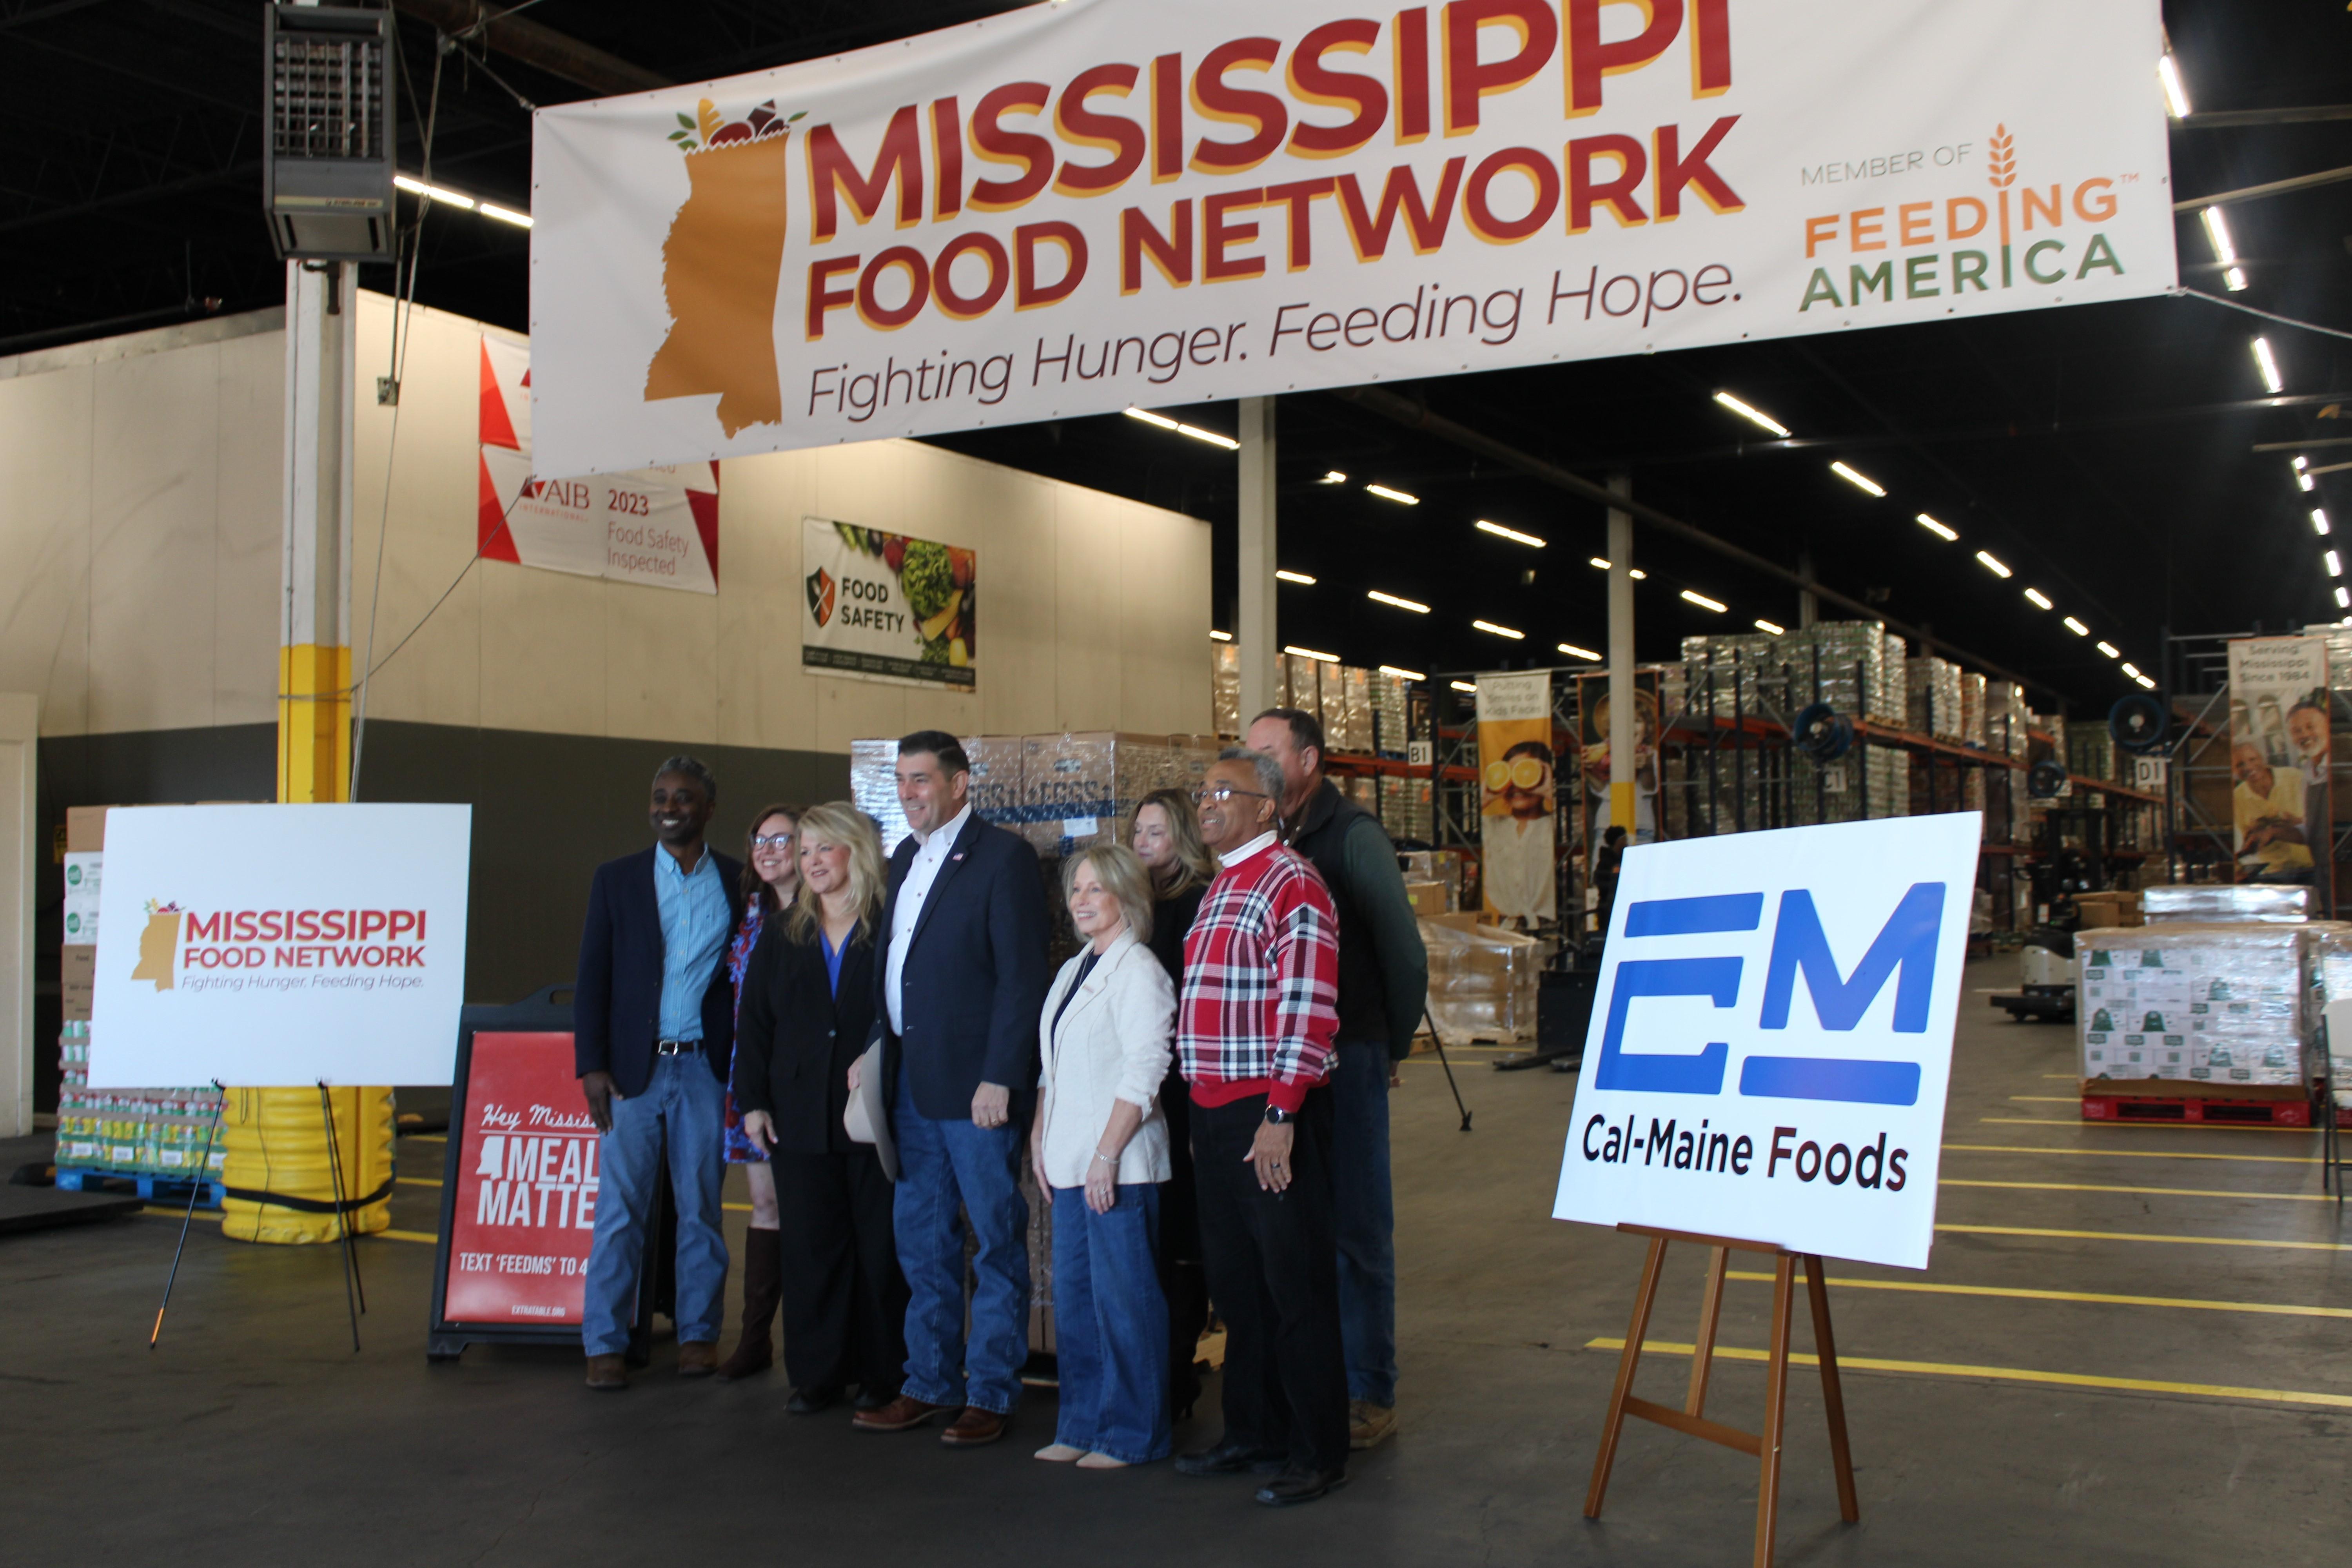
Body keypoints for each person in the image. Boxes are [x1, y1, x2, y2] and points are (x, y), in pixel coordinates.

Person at [852, 731, 1052, 1446]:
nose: (909, 793)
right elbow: (899, 972)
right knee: (923, 1243)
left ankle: (992, 1392)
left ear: (961, 784)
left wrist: (1001, 1074)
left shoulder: (1004, 859)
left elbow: (1021, 978)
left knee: (994, 1241)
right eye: (902, 781)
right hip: (910, 1086)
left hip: (976, 1092)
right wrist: (878, 1051)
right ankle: (929, 1382)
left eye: (922, 780)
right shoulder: (904, 858)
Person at [1245, 708, 1428, 1452]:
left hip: (1346, 1052)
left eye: (1266, 751)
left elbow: (1403, 951)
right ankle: (1313, 1381)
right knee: (1296, 1227)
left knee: (1356, 1229)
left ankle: (1369, 1391)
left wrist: (1391, 1042)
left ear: (1309, 759)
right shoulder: (1263, 835)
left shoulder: (1350, 836)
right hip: (1278, 1062)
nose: (1251, 763)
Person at [1172, 749, 1347, 1507]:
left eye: (1223, 793)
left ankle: (1316, 1451)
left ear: (1267, 806)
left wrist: (1281, 1113)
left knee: (1294, 1287)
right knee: (1239, 1292)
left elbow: (1308, 1008)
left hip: (1264, 1116)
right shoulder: (1221, 886)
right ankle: (1253, 1433)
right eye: (1202, 793)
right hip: (1211, 1114)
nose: (1206, 804)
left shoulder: (1292, 884)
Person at [573, 756, 745, 1390]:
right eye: (660, 796)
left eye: (684, 797)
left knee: (701, 1207)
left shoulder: (737, 880)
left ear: (708, 809)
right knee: (619, 1211)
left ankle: (700, 1336)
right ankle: (605, 1343)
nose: (669, 806)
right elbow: (594, 976)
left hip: (706, 1070)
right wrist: (591, 1064)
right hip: (631, 1074)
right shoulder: (616, 880)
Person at [733, 803, 909, 1414]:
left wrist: (885, 1047)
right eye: (804, 852)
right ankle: (817, 1373)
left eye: (822, 850)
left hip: (872, 1113)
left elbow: (909, 1011)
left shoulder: (889, 927)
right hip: (798, 1112)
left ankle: (884, 1372)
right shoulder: (784, 933)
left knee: (878, 1248)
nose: (810, 863)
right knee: (812, 1248)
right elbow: (754, 1025)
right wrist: (752, 1104)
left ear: (855, 853)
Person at [1029, 844, 1176, 1469]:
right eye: (1076, 890)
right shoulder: (1073, 971)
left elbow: (1147, 1069)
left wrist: (1107, 1155)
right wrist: (1039, 1135)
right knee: (1079, 1302)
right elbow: (1052, 1068)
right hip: (1066, 1163)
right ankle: (1083, 1422)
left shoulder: (1139, 969)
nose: (1082, 900)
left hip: (1116, 1165)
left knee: (1125, 1301)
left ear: (1126, 896)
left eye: (1096, 889)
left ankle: (1133, 1432)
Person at [1131, 786, 1218, 1417]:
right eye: (1138, 832)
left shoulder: (1192, 905)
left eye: (1156, 833)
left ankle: (1177, 1370)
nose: (1142, 843)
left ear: (1183, 838)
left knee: (1186, 1234)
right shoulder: (1140, 906)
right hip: (1144, 1092)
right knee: (1160, 1234)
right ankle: (1163, 1366)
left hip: (1183, 1089)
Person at [715, 804, 802, 1380]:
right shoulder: (747, 913)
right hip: (752, 1076)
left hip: (806, 1078)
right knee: (766, 1205)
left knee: (812, 1209)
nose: (768, 850)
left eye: (781, 839)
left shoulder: (825, 913)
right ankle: (754, 1338)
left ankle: (816, 1342)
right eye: (759, 840)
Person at [1479, 739, 1558, 927]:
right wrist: (1487, 794)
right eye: (1510, 775)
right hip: (1506, 929)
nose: (1517, 785)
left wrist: (1548, 791)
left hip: (1547, 928)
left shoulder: (1553, 826)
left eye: (1525, 773)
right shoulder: (1493, 825)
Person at [2231, 740, 2312, 880]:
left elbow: (2319, 823)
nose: (2249, 767)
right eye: (2240, 765)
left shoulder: (2295, 777)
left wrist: (2293, 823)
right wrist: (2256, 837)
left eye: (2253, 759)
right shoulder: (2237, 797)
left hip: (2311, 866)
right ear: (2234, 770)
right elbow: (2248, 843)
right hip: (2274, 873)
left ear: (2262, 758)